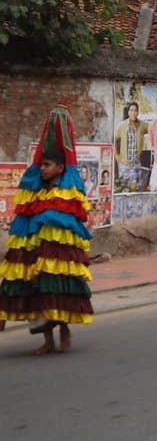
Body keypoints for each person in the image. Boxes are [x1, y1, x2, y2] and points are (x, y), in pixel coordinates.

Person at [1, 108, 94, 354]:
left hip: (57, 256)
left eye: (47, 165)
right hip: (36, 253)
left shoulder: (66, 193)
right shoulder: (37, 193)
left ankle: (64, 330)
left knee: (57, 290)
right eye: (41, 164)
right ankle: (48, 340)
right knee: (38, 293)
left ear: (60, 168)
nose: (42, 169)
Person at [114, 101, 148, 189]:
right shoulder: (122, 126)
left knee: (137, 189)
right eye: (131, 110)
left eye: (135, 111)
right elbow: (114, 139)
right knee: (124, 188)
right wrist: (117, 155)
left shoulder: (142, 125)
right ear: (128, 112)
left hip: (136, 164)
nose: (133, 113)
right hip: (124, 164)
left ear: (138, 112)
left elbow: (153, 129)